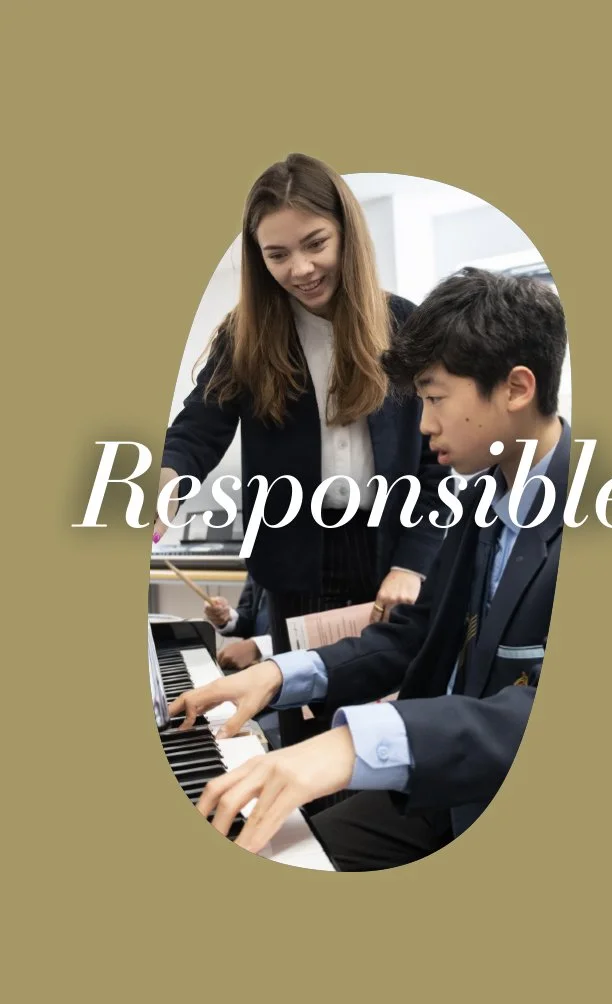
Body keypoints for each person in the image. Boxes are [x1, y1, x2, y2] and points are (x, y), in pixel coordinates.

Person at [168, 268, 570, 871]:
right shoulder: (481, 499)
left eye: (434, 399)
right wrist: (277, 675)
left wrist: (354, 742)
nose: (425, 424)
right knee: (270, 845)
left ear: (515, 388)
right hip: (443, 795)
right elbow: (412, 636)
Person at [155, 154, 448, 748]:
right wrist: (161, 491)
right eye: (277, 255)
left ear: (347, 233)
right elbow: (195, 432)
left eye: (316, 243)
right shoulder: (248, 334)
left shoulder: (407, 324)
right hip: (294, 560)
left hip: (387, 554)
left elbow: (436, 461)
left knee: (378, 728)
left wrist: (413, 562)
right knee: (297, 716)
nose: (302, 268)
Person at [204, 574, 272, 671]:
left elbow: (300, 626)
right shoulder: (257, 562)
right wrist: (227, 616)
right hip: (256, 670)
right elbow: (249, 614)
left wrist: (256, 647)